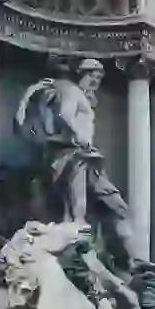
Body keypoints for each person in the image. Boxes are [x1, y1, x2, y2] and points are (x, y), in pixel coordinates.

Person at [15, 59, 137, 271]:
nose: (96, 81)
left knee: (102, 206)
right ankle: (83, 247)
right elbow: (65, 113)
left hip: (81, 154)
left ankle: (125, 259)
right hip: (76, 153)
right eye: (92, 76)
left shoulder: (77, 94)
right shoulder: (71, 91)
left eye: (99, 78)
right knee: (77, 208)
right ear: (81, 74)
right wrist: (79, 138)